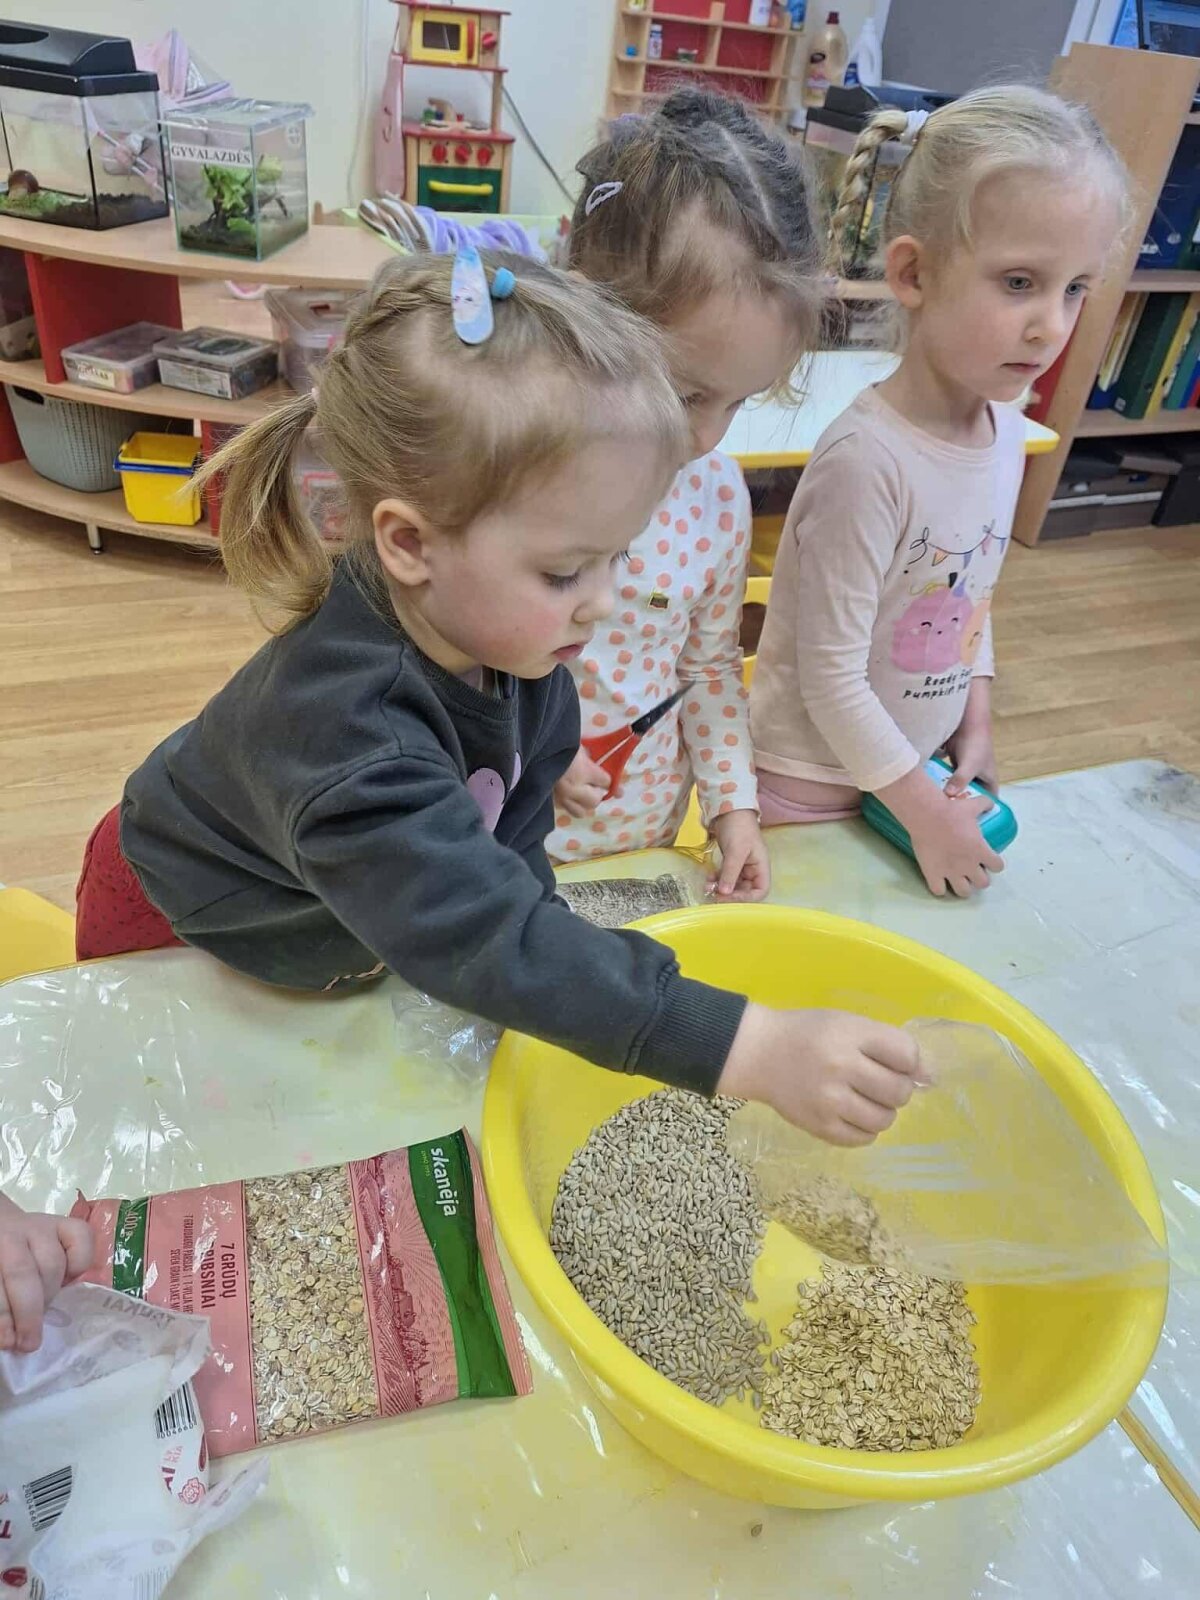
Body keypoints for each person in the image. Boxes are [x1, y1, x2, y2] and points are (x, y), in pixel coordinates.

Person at [0, 252, 922, 1354]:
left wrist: (541, 930)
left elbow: (510, 852)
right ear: (408, 543)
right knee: (182, 1130)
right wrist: (748, 1046)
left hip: (333, 918)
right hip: (181, 917)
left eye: (616, 559)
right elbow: (485, 934)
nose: (603, 604)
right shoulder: (353, 740)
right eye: (566, 572)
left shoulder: (514, 647)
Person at [750, 86, 1129, 897]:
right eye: (1020, 282)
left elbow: (968, 599)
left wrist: (975, 718)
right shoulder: (866, 461)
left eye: (1075, 288)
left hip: (910, 782)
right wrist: (923, 812)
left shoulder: (1005, 433)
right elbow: (830, 680)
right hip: (811, 790)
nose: (1052, 325)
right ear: (913, 272)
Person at [549, 88, 825, 900]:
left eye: (739, 402)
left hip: (644, 842)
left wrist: (733, 808)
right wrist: (529, 738)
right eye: (685, 393)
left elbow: (707, 669)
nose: (706, 436)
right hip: (501, 840)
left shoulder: (714, 496)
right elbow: (446, 651)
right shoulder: (514, 468)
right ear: (584, 307)